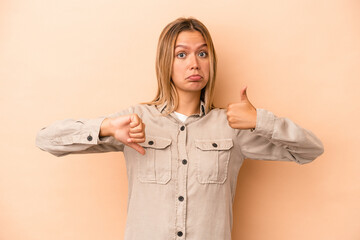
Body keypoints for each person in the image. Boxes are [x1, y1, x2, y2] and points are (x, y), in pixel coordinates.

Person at [36, 17, 324, 240]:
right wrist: (108, 127)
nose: (194, 64)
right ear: (166, 62)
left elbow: (310, 150)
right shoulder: (135, 121)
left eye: (203, 53)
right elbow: (47, 139)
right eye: (182, 55)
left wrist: (261, 121)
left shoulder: (232, 127)